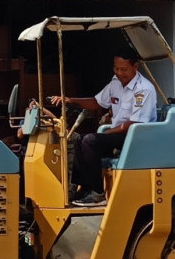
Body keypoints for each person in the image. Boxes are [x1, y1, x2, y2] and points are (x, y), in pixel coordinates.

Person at [51, 46, 157, 207]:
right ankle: (84, 188)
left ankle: (98, 192)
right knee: (80, 139)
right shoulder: (115, 83)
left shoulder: (144, 89)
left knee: (90, 141)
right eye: (116, 68)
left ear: (135, 67)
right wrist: (70, 100)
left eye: (124, 69)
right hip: (119, 133)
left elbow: (134, 124)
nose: (119, 73)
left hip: (136, 136)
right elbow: (97, 102)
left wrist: (108, 132)